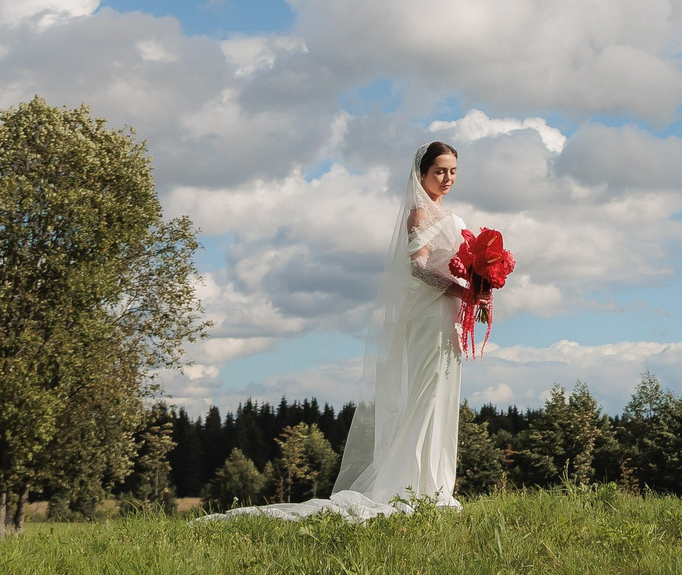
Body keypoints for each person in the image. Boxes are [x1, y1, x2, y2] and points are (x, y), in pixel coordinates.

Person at [206, 141, 488, 522]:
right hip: (428, 313)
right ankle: (412, 484)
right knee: (426, 392)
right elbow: (419, 268)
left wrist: (481, 289)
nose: (447, 178)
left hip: (450, 313)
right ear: (421, 173)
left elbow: (465, 266)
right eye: (439, 171)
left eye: (453, 171)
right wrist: (462, 290)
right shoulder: (419, 214)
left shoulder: (456, 219)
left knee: (443, 394)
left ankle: (437, 485)